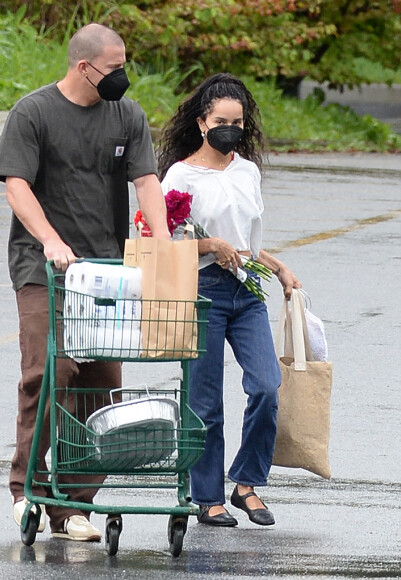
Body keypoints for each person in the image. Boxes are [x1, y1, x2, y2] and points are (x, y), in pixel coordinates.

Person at [0, 23, 170, 541]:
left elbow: (147, 182)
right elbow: (18, 188)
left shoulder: (126, 116)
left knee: (99, 383)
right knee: (51, 371)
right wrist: (49, 239)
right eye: (114, 68)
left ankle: (73, 507)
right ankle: (26, 488)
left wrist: (159, 239)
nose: (123, 77)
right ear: (83, 67)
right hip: (42, 266)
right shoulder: (34, 113)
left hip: (105, 272)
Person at [157, 73, 301, 528]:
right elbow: (159, 239)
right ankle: (207, 497)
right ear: (202, 123)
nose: (230, 129)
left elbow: (246, 243)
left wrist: (277, 267)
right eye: (222, 121)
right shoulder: (179, 176)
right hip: (202, 292)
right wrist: (207, 245)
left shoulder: (247, 171)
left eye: (238, 122)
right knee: (205, 401)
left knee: (266, 385)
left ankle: (245, 483)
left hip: (246, 288)